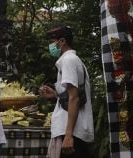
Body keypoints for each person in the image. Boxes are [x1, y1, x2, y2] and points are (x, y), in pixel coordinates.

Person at [39, 25, 93, 158]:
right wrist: (56, 94)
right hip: (73, 130)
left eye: (52, 42)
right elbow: (71, 95)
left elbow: (74, 98)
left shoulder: (68, 61)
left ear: (62, 41)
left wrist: (68, 136)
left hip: (72, 132)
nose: (50, 46)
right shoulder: (72, 60)